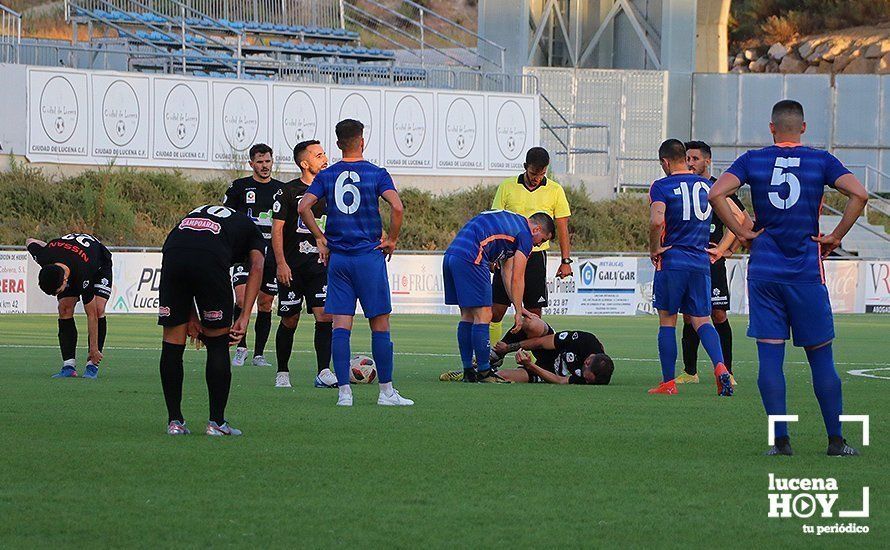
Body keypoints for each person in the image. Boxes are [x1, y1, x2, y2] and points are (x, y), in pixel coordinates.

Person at [709, 99, 868, 457]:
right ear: (804, 128)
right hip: (805, 273)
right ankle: (836, 441)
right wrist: (836, 234)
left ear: (771, 128)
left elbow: (716, 192)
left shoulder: (753, 160)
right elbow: (859, 194)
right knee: (821, 359)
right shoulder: (820, 160)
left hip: (764, 272)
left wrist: (741, 232)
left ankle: (780, 443)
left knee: (769, 359)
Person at [298, 119, 413, 407]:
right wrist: (393, 239)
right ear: (362, 141)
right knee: (380, 325)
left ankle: (344, 393)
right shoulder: (376, 173)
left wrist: (321, 238)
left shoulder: (328, 174)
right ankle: (386, 392)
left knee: (340, 326)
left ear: (338, 144)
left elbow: (303, 207)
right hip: (368, 257)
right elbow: (397, 206)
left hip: (339, 260)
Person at [157, 204, 266, 436]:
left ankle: (175, 423)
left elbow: (186, 254)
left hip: (173, 252)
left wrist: (190, 316)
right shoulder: (253, 230)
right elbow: (257, 266)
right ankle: (216, 423)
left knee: (172, 343)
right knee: (217, 343)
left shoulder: (198, 213)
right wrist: (245, 316)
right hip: (210, 258)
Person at [648, 139, 733, 397]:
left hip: (672, 261)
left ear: (664, 162)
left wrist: (654, 248)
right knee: (702, 320)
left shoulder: (661, 186)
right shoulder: (708, 185)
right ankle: (721, 368)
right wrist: (720, 249)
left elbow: (656, 221)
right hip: (700, 263)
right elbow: (739, 219)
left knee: (668, 321)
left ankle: (668, 383)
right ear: (685, 158)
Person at [442, 209, 555, 383]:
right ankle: (485, 372)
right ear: (536, 229)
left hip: (452, 255)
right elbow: (518, 276)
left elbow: (507, 273)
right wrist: (517, 313)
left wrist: (519, 307)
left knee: (468, 315)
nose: (539, 245)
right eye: (542, 240)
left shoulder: (512, 226)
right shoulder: (525, 235)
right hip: (473, 256)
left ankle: (468, 371)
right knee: (485, 315)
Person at [676, 140, 754, 386]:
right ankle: (690, 372)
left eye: (695, 158)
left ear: (708, 160)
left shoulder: (717, 188)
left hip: (711, 262)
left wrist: (725, 249)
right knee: (689, 315)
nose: (690, 163)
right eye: (687, 158)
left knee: (718, 314)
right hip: (688, 259)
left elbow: (744, 221)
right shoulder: (684, 186)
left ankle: (726, 371)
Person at [489, 147, 573, 346]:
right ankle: (487, 357)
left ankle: (531, 363)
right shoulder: (507, 186)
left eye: (542, 173)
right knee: (495, 311)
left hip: (535, 257)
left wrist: (566, 261)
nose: (537, 178)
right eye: (534, 173)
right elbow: (496, 222)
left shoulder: (555, 190)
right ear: (526, 167)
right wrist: (493, 256)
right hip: (507, 255)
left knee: (533, 314)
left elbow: (562, 228)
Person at [270, 140, 335, 389]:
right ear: (305, 163)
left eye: (324, 154)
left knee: (325, 316)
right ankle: (283, 371)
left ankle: (323, 371)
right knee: (290, 320)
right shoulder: (287, 192)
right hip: (292, 267)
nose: (325, 158)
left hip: (320, 267)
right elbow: (277, 231)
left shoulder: (331, 190)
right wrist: (281, 263)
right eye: (319, 155)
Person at [223, 143, 286, 368]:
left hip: (271, 253)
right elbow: (226, 218)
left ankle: (259, 354)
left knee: (266, 303)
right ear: (251, 164)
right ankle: (241, 348)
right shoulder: (239, 187)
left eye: (267, 161)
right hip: (244, 252)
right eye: (259, 162)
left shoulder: (281, 190)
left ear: (272, 162)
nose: (264, 166)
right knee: (241, 298)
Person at [26, 233, 113, 379]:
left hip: (97, 263)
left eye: (57, 291)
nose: (56, 296)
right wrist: (48, 246)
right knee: (64, 308)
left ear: (65, 279)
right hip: (68, 258)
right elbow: (30, 241)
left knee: (98, 309)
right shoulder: (43, 256)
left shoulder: (83, 273)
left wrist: (94, 349)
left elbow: (91, 315)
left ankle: (92, 364)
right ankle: (68, 366)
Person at [440, 316, 614, 385]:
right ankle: (496, 355)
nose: (585, 380)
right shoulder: (584, 340)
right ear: (587, 361)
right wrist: (509, 348)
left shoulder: (596, 378)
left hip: (545, 373)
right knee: (531, 323)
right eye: (585, 374)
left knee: (502, 376)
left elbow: (559, 380)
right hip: (549, 353)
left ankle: (473, 373)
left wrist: (530, 366)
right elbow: (540, 342)